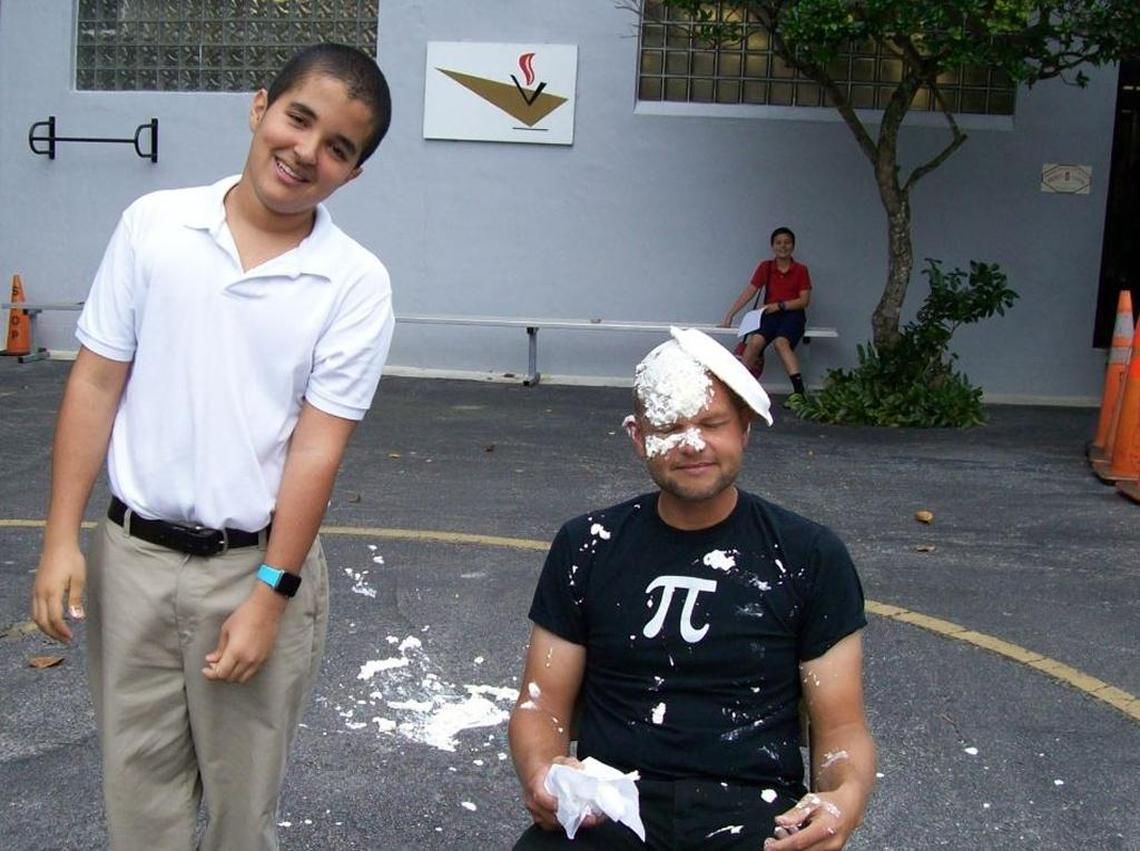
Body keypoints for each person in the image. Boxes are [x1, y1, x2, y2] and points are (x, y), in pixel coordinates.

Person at [30, 43, 394, 851]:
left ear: (353, 173)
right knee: (140, 803)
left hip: (254, 566)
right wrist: (60, 538)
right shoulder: (154, 226)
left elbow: (315, 450)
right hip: (133, 560)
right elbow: (95, 385)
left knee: (240, 807)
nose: (306, 151)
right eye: (299, 118)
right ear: (260, 105)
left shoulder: (353, 281)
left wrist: (270, 595)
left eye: (338, 146)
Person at [509, 327, 874, 851]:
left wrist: (843, 799)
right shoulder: (586, 545)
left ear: (744, 428)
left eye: (711, 423)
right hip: (609, 803)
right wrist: (542, 772)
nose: (692, 444)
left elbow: (841, 729)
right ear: (638, 437)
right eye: (670, 426)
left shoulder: (809, 554)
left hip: (759, 814)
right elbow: (540, 705)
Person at [722, 227, 812, 399]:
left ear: (793, 246)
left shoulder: (801, 270)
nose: (783, 246)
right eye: (778, 243)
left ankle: (799, 393)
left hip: (792, 315)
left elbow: (804, 300)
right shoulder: (766, 267)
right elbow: (750, 291)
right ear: (772, 246)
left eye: (787, 242)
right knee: (755, 342)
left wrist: (780, 306)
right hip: (769, 315)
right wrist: (730, 314)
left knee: (781, 343)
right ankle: (739, 391)